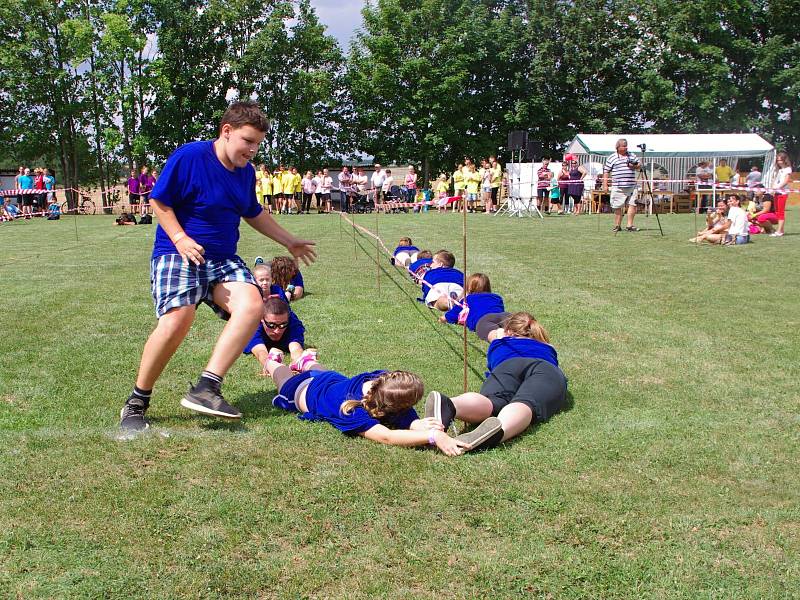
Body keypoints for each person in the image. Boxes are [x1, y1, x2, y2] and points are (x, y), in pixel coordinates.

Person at [118, 101, 316, 432]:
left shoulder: (246, 173)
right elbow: (159, 201)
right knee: (178, 319)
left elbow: (252, 211)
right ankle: (137, 401)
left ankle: (207, 387)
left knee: (254, 303)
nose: (252, 150)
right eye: (248, 141)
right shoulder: (190, 157)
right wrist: (181, 238)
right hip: (178, 252)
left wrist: (288, 241)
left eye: (257, 144)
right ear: (227, 131)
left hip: (222, 259)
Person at [425, 311, 567, 451]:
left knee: (492, 401)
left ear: (508, 330)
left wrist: (501, 331)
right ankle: (500, 430)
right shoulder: (547, 346)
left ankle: (452, 404)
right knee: (527, 402)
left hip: (507, 366)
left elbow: (485, 324)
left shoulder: (499, 339)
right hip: (545, 368)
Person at [261, 360, 469, 455]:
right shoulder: (352, 411)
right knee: (281, 375)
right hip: (301, 390)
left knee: (318, 369)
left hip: (330, 378)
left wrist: (413, 423)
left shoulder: (381, 380)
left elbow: (400, 410)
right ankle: (271, 360)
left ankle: (307, 360)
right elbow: (387, 436)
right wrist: (432, 436)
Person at [243, 295, 311, 370]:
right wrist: (270, 365)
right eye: (271, 325)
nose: (277, 331)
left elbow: (296, 349)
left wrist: (298, 362)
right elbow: (260, 352)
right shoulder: (253, 325)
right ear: (262, 319)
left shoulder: (293, 323)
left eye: (283, 325)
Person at [440, 273, 505, 333]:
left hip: (482, 321)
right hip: (501, 318)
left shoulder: (467, 299)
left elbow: (451, 316)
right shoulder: (497, 297)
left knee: (493, 332)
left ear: (469, 287)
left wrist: (442, 319)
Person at [602, 138, 641, 232]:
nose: (626, 147)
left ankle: (630, 225)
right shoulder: (612, 157)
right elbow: (606, 171)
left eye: (626, 145)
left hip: (631, 185)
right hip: (617, 186)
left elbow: (639, 166)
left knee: (633, 204)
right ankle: (617, 225)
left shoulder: (632, 155)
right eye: (623, 146)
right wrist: (605, 185)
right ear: (618, 147)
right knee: (617, 206)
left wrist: (634, 166)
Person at [770, 151, 792, 237]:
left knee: (781, 212)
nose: (779, 162)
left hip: (782, 192)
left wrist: (778, 187)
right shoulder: (779, 170)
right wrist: (772, 188)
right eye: (778, 160)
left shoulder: (788, 169)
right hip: (776, 192)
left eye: (780, 160)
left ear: (784, 160)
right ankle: (781, 230)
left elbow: (786, 181)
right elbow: (775, 180)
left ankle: (779, 231)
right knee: (777, 212)